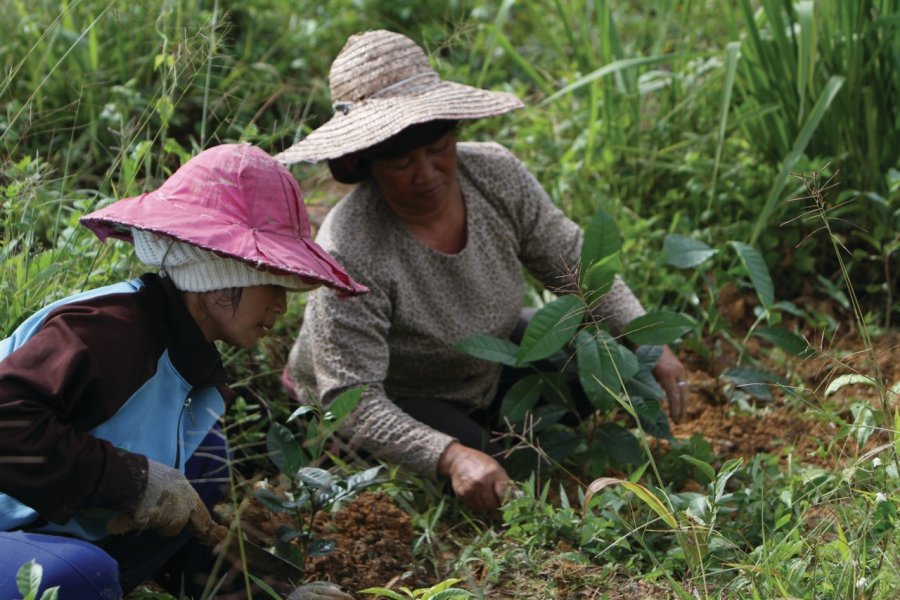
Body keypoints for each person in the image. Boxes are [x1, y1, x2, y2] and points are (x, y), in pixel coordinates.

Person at [278, 30, 688, 513]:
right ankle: (465, 451)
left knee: (602, 375)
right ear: (364, 163)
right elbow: (350, 397)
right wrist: (449, 457)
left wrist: (644, 337)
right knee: (497, 481)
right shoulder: (352, 245)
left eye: (438, 149)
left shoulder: (495, 175)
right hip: (399, 393)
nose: (427, 174)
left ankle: (490, 432)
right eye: (402, 163)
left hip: (484, 361)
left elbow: (571, 261)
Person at [0, 144, 364, 599]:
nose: (279, 305)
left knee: (205, 463)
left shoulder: (187, 360)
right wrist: (129, 480)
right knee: (79, 575)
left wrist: (273, 592)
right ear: (216, 266)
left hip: (36, 520)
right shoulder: (110, 330)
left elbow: (177, 529)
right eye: (271, 282)